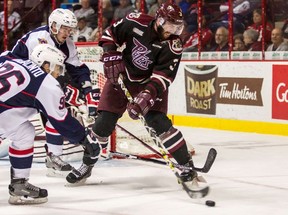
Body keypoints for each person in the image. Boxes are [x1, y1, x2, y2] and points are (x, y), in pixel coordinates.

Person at [66, 2, 198, 185]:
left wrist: (146, 96)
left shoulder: (174, 44)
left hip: (150, 83)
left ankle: (186, 165)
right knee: (102, 124)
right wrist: (111, 53)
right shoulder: (135, 21)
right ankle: (86, 165)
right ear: (159, 20)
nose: (172, 30)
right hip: (123, 77)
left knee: (159, 124)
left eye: (177, 27)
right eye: (169, 25)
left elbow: (164, 77)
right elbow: (108, 35)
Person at [0, 44, 100, 204]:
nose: (59, 73)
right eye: (57, 68)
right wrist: (85, 139)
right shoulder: (46, 83)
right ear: (46, 65)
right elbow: (61, 121)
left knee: (24, 132)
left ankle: (19, 183)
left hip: (4, 113)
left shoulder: (14, 59)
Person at [11, 8, 100, 176]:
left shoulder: (67, 44)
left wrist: (87, 90)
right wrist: (65, 90)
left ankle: (54, 158)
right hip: (20, 85)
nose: (68, 33)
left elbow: (77, 68)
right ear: (53, 25)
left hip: (31, 85)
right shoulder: (38, 39)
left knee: (57, 112)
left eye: (70, 29)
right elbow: (38, 71)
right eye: (64, 28)